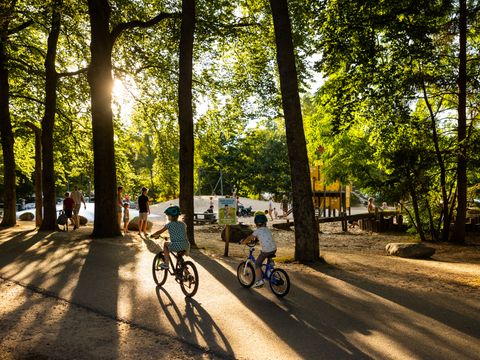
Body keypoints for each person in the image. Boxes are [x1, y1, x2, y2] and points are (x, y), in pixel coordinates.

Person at [239, 212, 277, 288]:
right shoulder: (267, 229)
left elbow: (250, 237)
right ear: (265, 223)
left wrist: (243, 242)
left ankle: (260, 281)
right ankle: (270, 268)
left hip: (266, 251)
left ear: (256, 223)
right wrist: (256, 240)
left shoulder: (257, 231)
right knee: (265, 253)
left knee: (257, 264)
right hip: (274, 249)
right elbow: (262, 237)